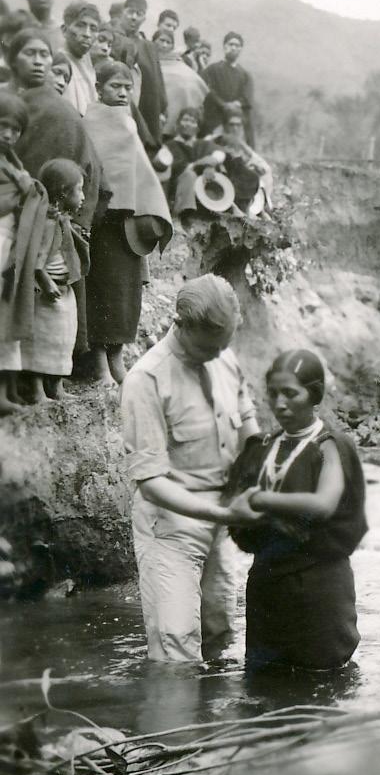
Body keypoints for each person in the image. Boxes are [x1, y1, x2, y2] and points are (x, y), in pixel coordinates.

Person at [121, 273, 261, 663]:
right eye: (207, 347)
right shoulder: (146, 379)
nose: (217, 356)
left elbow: (248, 425)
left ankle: (211, 705)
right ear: (180, 325)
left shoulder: (224, 357)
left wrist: (261, 472)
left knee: (220, 633)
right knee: (176, 647)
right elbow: (150, 482)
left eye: (224, 345)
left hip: (222, 518)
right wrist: (226, 513)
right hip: (169, 526)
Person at [226, 349, 365, 671]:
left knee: (321, 682)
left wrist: (260, 500)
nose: (279, 403)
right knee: (263, 683)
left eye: (290, 393)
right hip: (267, 585)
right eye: (273, 393)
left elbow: (323, 504)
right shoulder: (262, 446)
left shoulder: (331, 445)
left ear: (314, 395)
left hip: (319, 586)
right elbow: (232, 503)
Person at [8, 28, 104, 359]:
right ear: (13, 59)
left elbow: (90, 169)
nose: (38, 61)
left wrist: (75, 220)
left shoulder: (64, 112)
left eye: (44, 55)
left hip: (48, 222)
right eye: (29, 53)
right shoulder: (8, 105)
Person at [83, 60, 172, 385]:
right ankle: (98, 362)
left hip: (127, 223)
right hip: (102, 223)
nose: (122, 93)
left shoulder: (129, 122)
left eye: (127, 88)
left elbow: (141, 172)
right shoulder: (89, 121)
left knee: (126, 293)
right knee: (101, 291)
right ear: (98, 88)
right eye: (115, 86)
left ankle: (117, 357)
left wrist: (148, 208)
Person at [15, 159, 89, 403]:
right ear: (62, 193)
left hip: (64, 290)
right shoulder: (47, 223)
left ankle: (56, 387)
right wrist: (45, 281)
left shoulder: (61, 221)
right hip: (48, 291)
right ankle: (37, 390)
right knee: (42, 340)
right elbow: (37, 258)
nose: (83, 197)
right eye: (79, 190)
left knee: (62, 339)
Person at [0, 93, 33, 414]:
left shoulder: (12, 162)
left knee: (8, 312)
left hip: (9, 243)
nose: (8, 134)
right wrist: (23, 190)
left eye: (15, 129)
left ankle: (9, 388)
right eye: (3, 126)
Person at [118, 0, 167, 147]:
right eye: (130, 12)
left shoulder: (149, 48)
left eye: (139, 14)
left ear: (144, 18)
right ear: (123, 12)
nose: (134, 17)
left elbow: (158, 83)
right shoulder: (113, 39)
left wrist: (162, 108)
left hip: (145, 112)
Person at [201, 31, 255, 146]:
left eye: (237, 45)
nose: (233, 48)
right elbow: (207, 90)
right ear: (224, 46)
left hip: (235, 122)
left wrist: (236, 104)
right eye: (230, 44)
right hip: (215, 120)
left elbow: (247, 98)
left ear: (241, 49)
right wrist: (223, 104)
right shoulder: (212, 70)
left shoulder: (245, 75)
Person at [152, 29, 207, 138]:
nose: (164, 45)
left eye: (168, 42)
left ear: (172, 46)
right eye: (161, 40)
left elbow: (194, 82)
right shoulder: (146, 61)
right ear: (153, 41)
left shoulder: (179, 62)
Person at [165, 107, 215, 207]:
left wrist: (209, 166)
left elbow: (216, 154)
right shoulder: (169, 145)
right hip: (178, 189)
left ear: (197, 128)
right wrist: (198, 164)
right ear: (178, 123)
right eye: (185, 120)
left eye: (193, 121)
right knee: (189, 175)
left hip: (203, 189)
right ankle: (184, 212)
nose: (188, 124)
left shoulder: (203, 144)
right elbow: (176, 168)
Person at [61, 1, 100, 115]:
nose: (87, 34)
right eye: (80, 26)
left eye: (93, 28)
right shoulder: (58, 65)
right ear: (64, 30)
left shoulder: (88, 65)